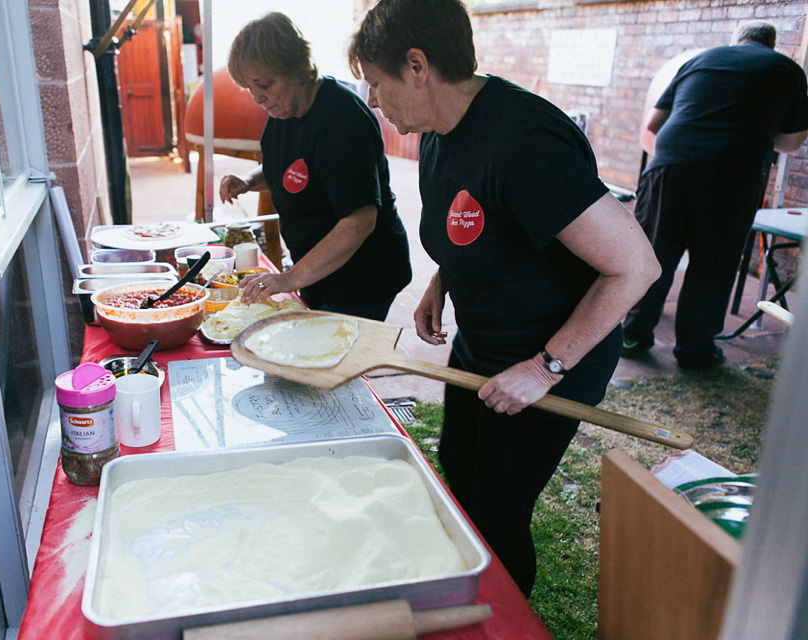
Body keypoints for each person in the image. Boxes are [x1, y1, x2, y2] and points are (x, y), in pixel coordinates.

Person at [348, 0, 660, 597]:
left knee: (496, 512)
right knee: (461, 484)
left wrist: (545, 368)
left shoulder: (526, 141)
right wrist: (444, 280)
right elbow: (479, 222)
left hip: (550, 357)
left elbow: (636, 267)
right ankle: (470, 601)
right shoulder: (440, 132)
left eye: (376, 84)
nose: (373, 102)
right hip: (484, 344)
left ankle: (505, 620)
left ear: (417, 66)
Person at [621, 20, 808, 370]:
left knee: (653, 256)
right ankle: (694, 352)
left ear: (736, 41)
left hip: (669, 169)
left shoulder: (699, 60)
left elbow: (652, 127)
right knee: (712, 266)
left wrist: (664, 165)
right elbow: (791, 142)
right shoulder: (787, 69)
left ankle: (631, 335)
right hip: (732, 178)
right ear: (770, 44)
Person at [219, 12, 412, 321]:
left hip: (362, 277)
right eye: (249, 88)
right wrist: (248, 180)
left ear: (297, 68)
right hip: (316, 272)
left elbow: (359, 220)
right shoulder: (284, 110)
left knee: (332, 360)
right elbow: (294, 171)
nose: (257, 97)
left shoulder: (341, 119)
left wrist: (290, 278)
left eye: (264, 85)